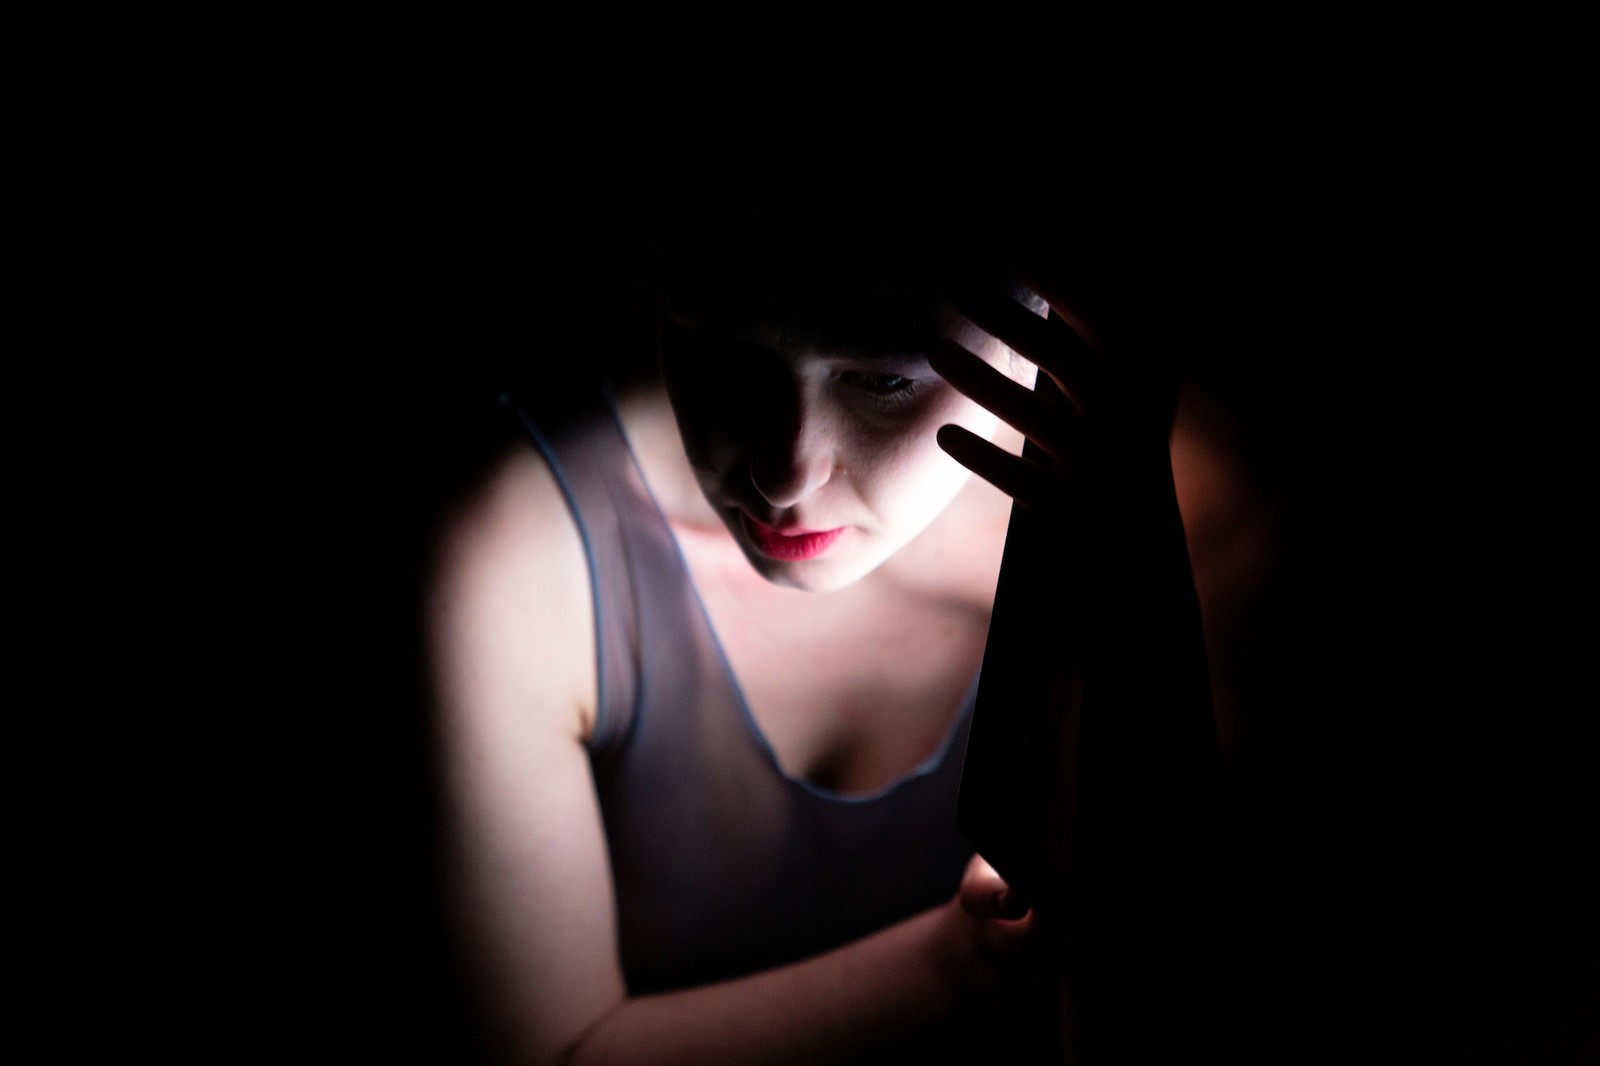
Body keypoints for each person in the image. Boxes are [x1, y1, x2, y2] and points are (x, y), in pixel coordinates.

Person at [425, 197, 1211, 1063]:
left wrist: (1137, 591)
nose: (784, 471)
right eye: (719, 349)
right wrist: (961, 967)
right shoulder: (530, 568)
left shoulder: (1180, 538)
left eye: (882, 380)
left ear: (1051, 310)